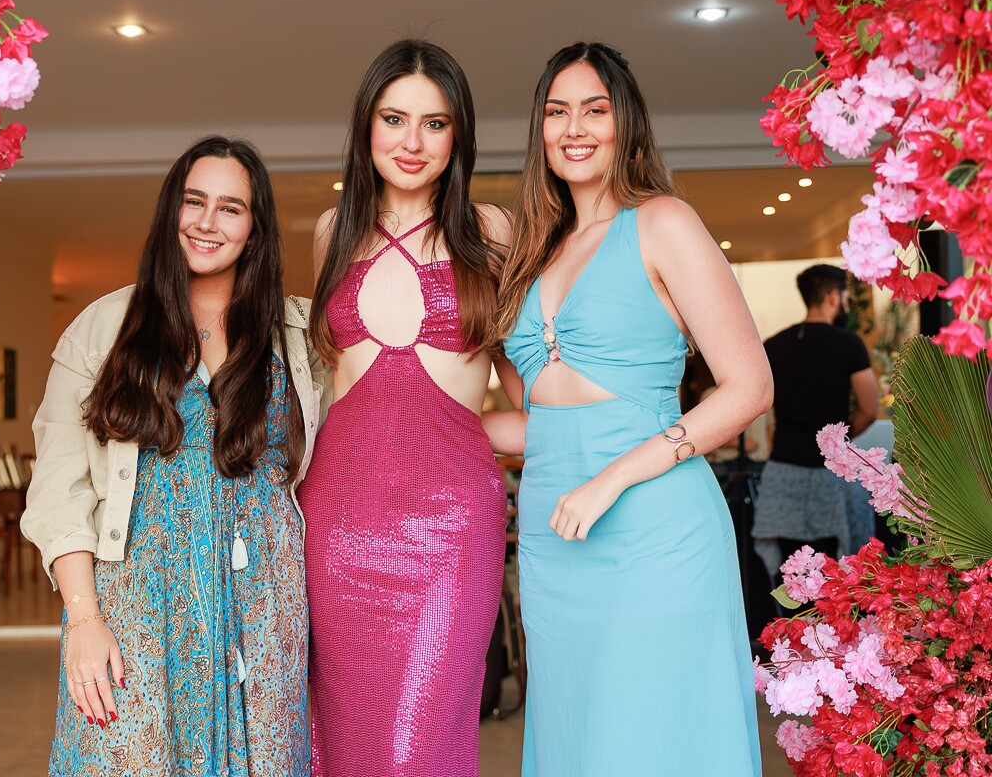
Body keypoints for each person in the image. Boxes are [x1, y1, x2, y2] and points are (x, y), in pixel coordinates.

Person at [490, 42, 769, 776]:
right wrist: (429, 424)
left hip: (654, 529)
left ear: (626, 124)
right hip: (555, 539)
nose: (574, 128)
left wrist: (612, 479)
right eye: (556, 112)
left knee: (647, 738)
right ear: (539, 130)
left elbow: (748, 388)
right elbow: (539, 421)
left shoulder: (663, 222)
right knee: (581, 740)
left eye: (595, 109)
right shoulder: (531, 256)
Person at [21, 136, 323, 777]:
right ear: (170, 212)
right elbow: (57, 490)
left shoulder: (298, 333)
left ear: (257, 226)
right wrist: (83, 619)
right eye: (194, 201)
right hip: (137, 609)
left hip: (267, 610)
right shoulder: (105, 328)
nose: (208, 222)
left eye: (231, 207)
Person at [296, 39, 511, 776]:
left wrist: (464, 434)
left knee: (425, 740)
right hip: (340, 523)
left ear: (460, 137)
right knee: (347, 735)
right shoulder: (332, 233)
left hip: (454, 526)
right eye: (394, 119)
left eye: (435, 123)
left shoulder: (491, 230)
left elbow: (532, 396)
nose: (412, 142)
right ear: (366, 127)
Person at [752, 264, 880, 567]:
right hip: (829, 474)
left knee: (792, 572)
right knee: (836, 570)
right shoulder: (849, 343)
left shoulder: (774, 344)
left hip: (783, 471)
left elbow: (763, 403)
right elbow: (869, 408)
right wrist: (839, 442)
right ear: (834, 297)